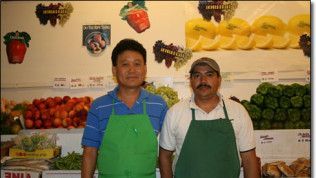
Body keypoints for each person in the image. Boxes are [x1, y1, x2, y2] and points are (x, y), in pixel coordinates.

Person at [159, 57, 260, 178]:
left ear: (219, 79)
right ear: (190, 80)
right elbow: (164, 156)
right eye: (197, 75)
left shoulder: (238, 111)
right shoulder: (175, 113)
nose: (203, 80)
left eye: (209, 74)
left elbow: (249, 158)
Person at [81, 38, 168, 178]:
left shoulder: (158, 105)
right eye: (125, 64)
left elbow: (166, 150)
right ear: (114, 70)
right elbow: (89, 152)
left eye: (137, 64)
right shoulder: (99, 106)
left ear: (145, 68)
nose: (132, 70)